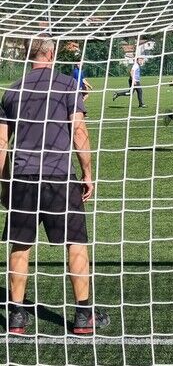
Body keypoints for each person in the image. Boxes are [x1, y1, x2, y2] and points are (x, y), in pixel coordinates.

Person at [0, 37, 110, 336]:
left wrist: (5, 184)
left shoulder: (12, 90)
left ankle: (16, 316)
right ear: (51, 53)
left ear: (28, 55)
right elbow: (79, 131)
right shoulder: (67, 85)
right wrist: (87, 173)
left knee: (20, 245)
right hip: (59, 177)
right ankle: (84, 315)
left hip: (23, 178)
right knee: (76, 243)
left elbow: (1, 144)